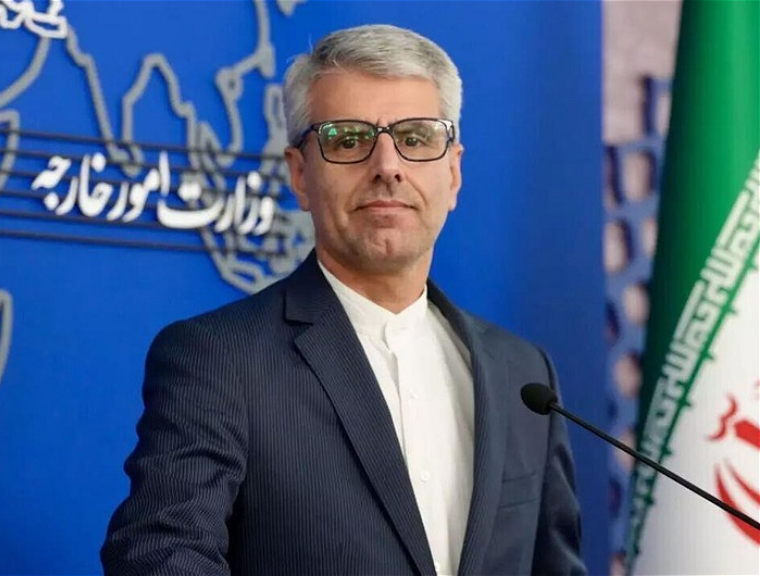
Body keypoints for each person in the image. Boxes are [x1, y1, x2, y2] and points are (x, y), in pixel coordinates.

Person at [101, 24, 586, 576]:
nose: (388, 166)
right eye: (349, 140)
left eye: (417, 137)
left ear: (453, 173)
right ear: (299, 175)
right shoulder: (220, 358)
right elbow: (161, 556)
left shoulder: (522, 375)